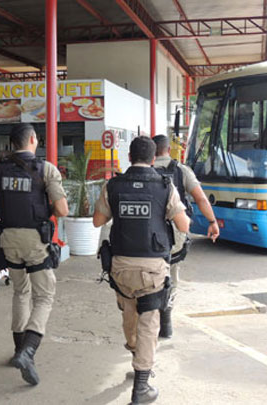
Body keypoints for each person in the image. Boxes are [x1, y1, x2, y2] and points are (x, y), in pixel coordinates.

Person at [93, 136, 190, 404]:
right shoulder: (164, 186)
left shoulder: (113, 185)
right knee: (149, 321)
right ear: (152, 158)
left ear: (129, 157)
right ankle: (141, 385)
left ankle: (137, 356)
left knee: (129, 314)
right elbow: (183, 225)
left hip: (120, 266)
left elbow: (97, 221)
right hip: (153, 267)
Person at [0, 123, 69, 386]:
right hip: (34, 240)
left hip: (7, 239)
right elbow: (62, 210)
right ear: (33, 140)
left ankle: (17, 349)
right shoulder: (46, 169)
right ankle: (28, 351)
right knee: (44, 296)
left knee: (21, 292)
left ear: (11, 143)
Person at [152, 135, 219, 338]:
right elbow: (200, 198)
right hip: (176, 233)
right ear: (168, 150)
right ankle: (166, 317)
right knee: (171, 273)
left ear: (152, 151)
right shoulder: (181, 170)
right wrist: (212, 222)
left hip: (149, 232)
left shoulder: (145, 169)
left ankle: (150, 316)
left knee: (149, 273)